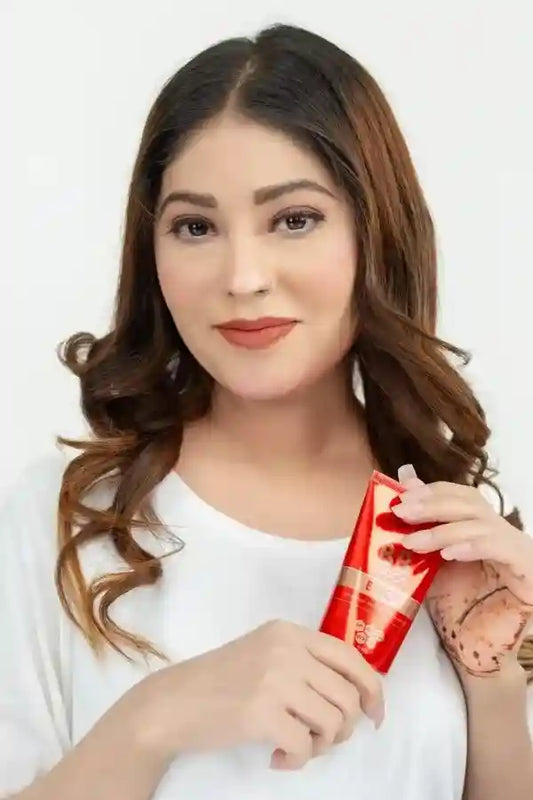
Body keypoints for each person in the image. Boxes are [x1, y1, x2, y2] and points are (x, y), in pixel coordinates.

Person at [1, 21, 532, 800]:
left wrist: (497, 677)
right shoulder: (64, 517)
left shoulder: (458, 532)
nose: (243, 275)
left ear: (373, 232)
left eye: (293, 219)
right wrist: (155, 718)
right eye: (195, 227)